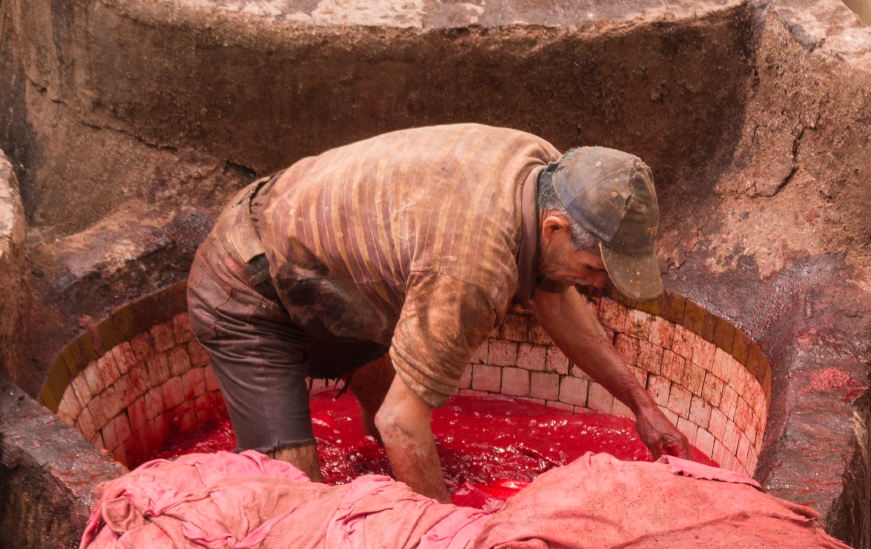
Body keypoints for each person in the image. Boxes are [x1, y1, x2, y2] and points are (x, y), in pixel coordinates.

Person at [187, 123, 689, 497]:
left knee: (389, 441)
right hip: (249, 284)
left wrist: (642, 407)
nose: (600, 285)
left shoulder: (548, 173)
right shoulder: (473, 269)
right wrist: (452, 545)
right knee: (296, 502)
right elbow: (402, 424)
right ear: (555, 228)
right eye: (595, 268)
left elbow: (555, 299)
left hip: (332, 270)